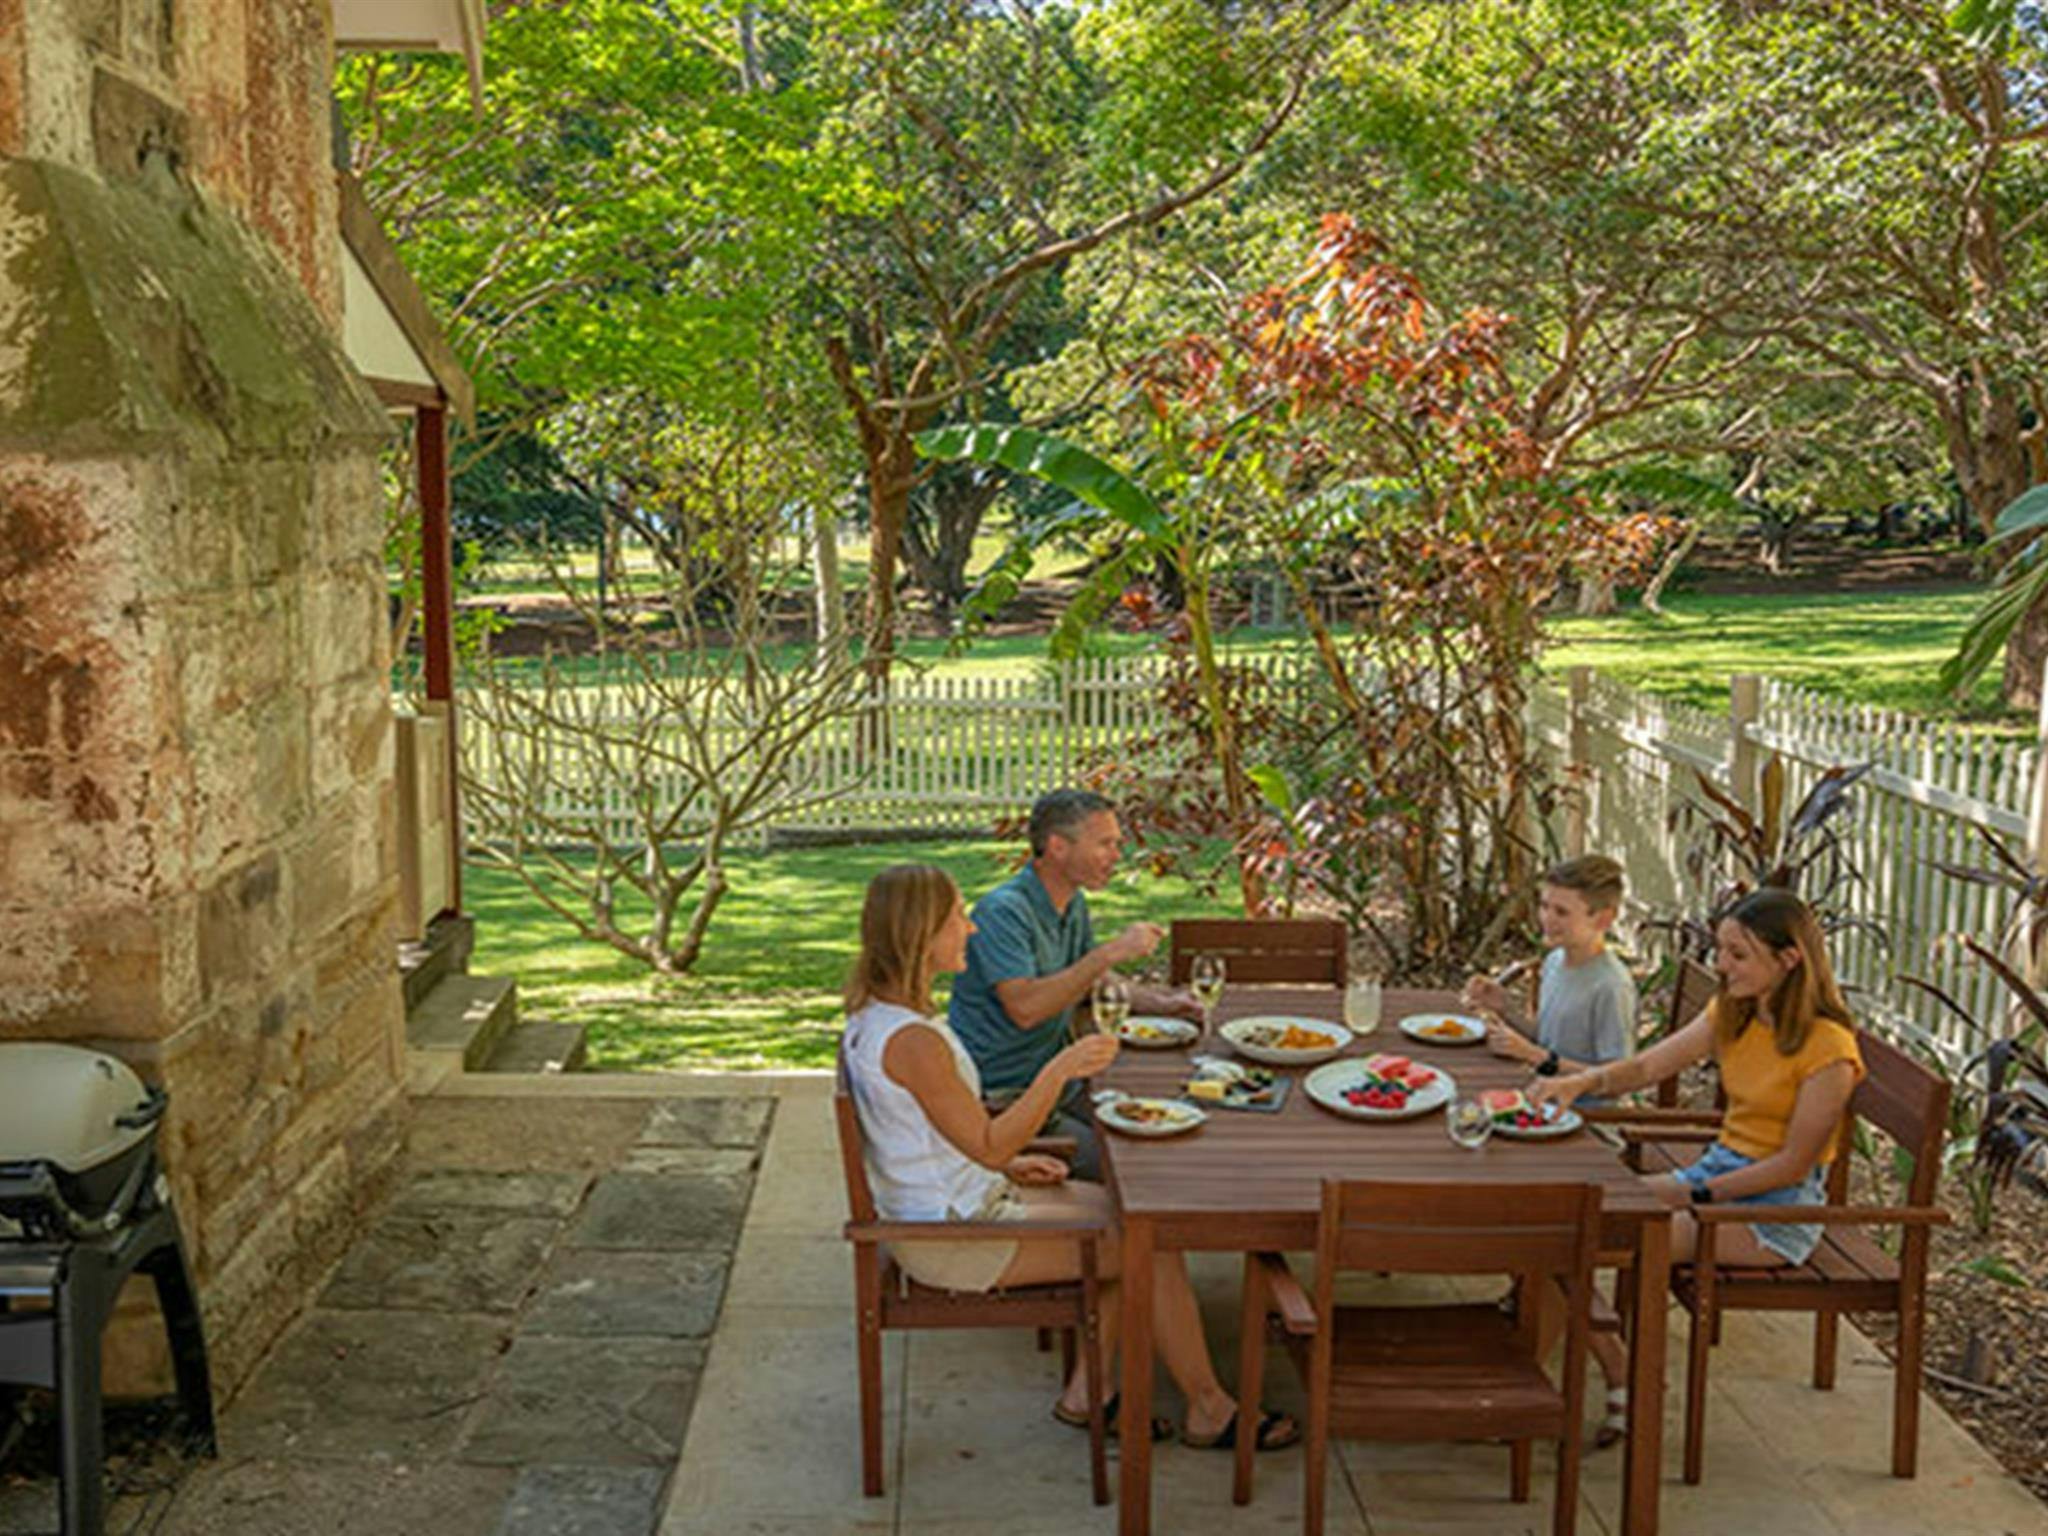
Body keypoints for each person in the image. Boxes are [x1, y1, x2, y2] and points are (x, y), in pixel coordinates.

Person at [841, 863, 1299, 1451]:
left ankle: (1090, 1394)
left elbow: (938, 1139)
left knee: (1132, 1215)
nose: (970, 931)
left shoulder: (880, 1020)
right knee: (1148, 1239)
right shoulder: (913, 1041)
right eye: (957, 917)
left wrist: (1009, 1166)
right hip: (952, 1239)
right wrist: (1059, 1071)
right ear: (919, 932)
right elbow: (987, 1141)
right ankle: (1209, 1406)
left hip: (953, 1204)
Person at [1533, 886, 1865, 1274]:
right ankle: (1545, 1328)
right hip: (1716, 1171)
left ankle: (1594, 1333)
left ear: (1789, 960)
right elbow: (1646, 1068)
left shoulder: (1830, 1050)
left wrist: (1698, 1193)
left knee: (1618, 1232)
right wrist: (1580, 1083)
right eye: (1721, 949)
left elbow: (1792, 1165)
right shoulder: (1733, 1010)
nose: (1722, 965)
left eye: (1738, 954)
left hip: (1775, 1210)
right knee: (1576, 1212)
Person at [1463, 853, 1638, 1445]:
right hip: (1541, 1117)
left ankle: (1610, 1369)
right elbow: (1550, 1038)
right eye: (1544, 906)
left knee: (1542, 1228)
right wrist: (1506, 1011)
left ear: (1604, 917)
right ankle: (1525, 1299)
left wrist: (1538, 1058)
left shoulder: (1611, 986)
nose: (1548, 919)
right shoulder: (1558, 963)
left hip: (1590, 1137)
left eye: (1562, 911)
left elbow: (1615, 1077)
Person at [949, 789, 1197, 1181]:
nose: (1116, 855)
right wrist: (1110, 952)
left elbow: (1090, 977)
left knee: (1176, 1118)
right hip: (1006, 1099)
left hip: (1059, 1080)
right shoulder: (1004, 913)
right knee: (1137, 1167)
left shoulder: (1070, 901)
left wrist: (1164, 1003)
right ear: (1058, 846)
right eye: (1106, 844)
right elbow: (1026, 1009)